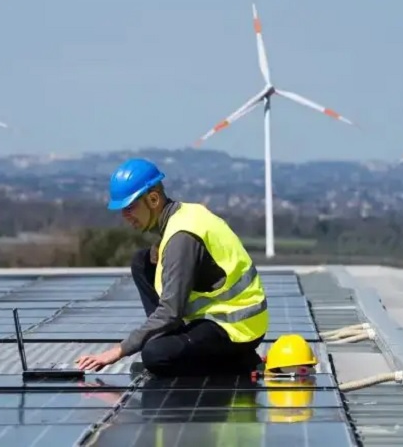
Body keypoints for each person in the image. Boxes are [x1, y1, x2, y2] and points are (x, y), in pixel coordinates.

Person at [75, 158, 269, 376]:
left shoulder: (182, 237)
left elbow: (170, 312)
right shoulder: (183, 215)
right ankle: (175, 342)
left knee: (155, 355)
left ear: (154, 199)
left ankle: (241, 361)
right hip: (219, 319)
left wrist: (119, 350)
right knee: (142, 262)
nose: (125, 217)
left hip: (237, 329)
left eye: (130, 207)